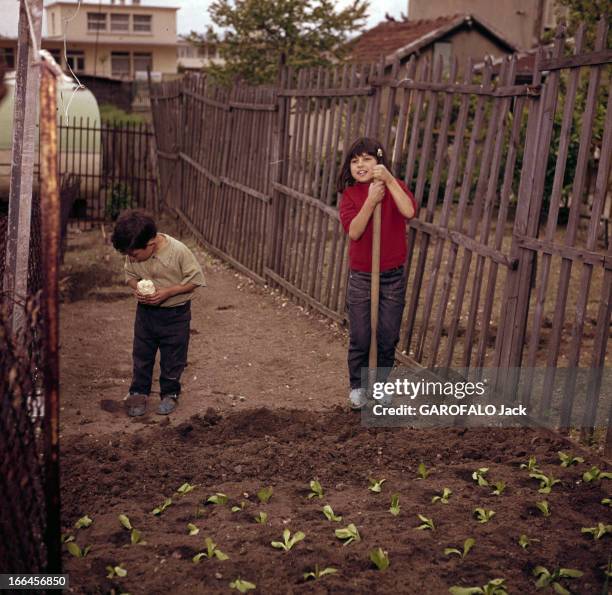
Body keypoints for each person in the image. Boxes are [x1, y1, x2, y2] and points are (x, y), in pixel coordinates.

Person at [338, 137, 417, 410]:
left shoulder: (395, 188)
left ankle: (381, 386)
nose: (360, 165)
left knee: (386, 335)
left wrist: (391, 182)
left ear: (379, 163)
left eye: (367, 159)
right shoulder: (350, 195)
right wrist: (371, 200)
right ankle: (358, 387)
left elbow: (409, 211)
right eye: (355, 160)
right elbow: (355, 231)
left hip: (392, 276)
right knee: (361, 335)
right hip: (362, 276)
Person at [111, 210, 206, 416]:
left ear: (151, 243)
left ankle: (170, 393)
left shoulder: (178, 252)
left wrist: (168, 292)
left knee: (173, 357)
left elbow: (195, 280)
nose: (131, 258)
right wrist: (137, 287)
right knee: (142, 354)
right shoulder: (134, 253)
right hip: (146, 314)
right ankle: (138, 392)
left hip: (176, 315)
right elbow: (129, 275)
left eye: (134, 254)